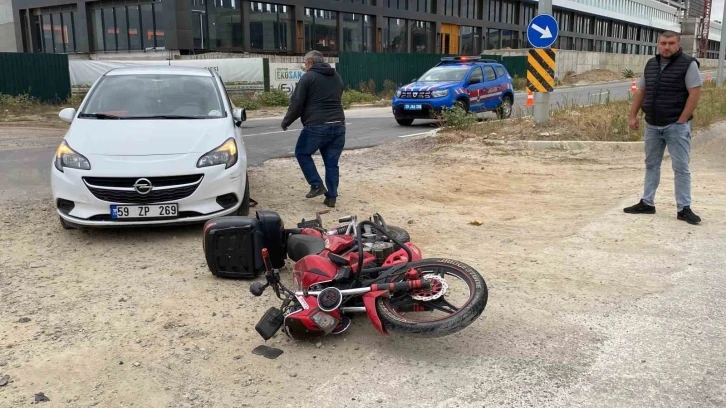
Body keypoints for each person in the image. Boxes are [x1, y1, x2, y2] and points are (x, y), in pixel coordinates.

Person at [625, 30, 702, 225]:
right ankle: (647, 202)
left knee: (681, 167)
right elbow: (641, 91)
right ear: (658, 45)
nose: (666, 47)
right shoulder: (651, 64)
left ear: (678, 45)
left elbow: (694, 94)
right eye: (663, 43)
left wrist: (682, 120)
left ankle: (684, 208)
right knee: (651, 165)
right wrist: (632, 115)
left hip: (675, 125)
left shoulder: (688, 64)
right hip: (652, 124)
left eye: (671, 43)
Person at [281, 50, 345, 208]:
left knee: (302, 153)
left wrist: (287, 121)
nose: (305, 66)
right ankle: (331, 197)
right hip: (338, 125)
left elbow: (297, 103)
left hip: (317, 126)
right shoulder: (337, 76)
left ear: (310, 62)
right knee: (332, 163)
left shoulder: (308, 77)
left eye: (305, 63)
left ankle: (316, 185)